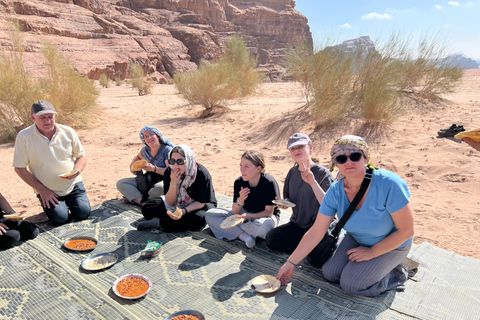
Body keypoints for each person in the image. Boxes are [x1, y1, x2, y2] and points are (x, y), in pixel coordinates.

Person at [277, 135, 414, 297]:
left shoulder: (389, 184)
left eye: (355, 156)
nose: (348, 162)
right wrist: (290, 263)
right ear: (337, 164)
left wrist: (372, 253)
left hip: (393, 243)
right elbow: (316, 232)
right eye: (342, 159)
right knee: (330, 273)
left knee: (351, 284)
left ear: (365, 157)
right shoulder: (336, 191)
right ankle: (370, 266)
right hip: (357, 238)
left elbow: (406, 231)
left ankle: (396, 272)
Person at [13, 100, 91, 225]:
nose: (47, 121)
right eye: (42, 117)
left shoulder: (68, 131)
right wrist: (42, 190)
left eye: (50, 117)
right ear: (33, 117)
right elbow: (19, 168)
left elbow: (81, 156)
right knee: (60, 218)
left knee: (83, 213)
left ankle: (66, 205)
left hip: (73, 185)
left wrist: (78, 170)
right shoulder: (24, 137)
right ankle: (58, 209)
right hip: (48, 190)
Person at [265, 133, 334, 256]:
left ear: (310, 148)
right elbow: (289, 200)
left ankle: (307, 249)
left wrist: (313, 183)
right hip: (298, 225)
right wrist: (283, 204)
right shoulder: (292, 173)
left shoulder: (323, 174)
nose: (296, 150)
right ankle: (306, 248)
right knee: (271, 239)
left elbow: (331, 207)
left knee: (318, 256)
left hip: (318, 227)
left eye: (300, 146)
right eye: (292, 148)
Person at [205, 150, 281, 249]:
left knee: (265, 229)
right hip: (244, 215)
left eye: (246, 166)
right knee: (210, 214)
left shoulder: (268, 183)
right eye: (240, 165)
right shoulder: (239, 182)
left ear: (258, 168)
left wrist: (248, 217)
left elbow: (268, 212)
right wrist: (240, 200)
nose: (242, 169)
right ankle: (244, 236)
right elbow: (236, 211)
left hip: (264, 217)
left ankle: (234, 230)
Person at [137, 144, 217, 232]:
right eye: (172, 161)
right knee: (147, 208)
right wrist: (173, 183)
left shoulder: (201, 174)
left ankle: (159, 223)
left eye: (180, 161)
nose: (175, 165)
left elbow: (201, 202)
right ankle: (169, 221)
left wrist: (184, 211)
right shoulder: (169, 171)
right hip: (178, 202)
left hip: (199, 204)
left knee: (197, 219)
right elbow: (170, 202)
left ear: (189, 160)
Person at [116, 126, 174, 205]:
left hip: (165, 181)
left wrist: (154, 169)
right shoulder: (145, 150)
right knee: (122, 183)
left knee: (160, 188)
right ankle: (143, 202)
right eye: (146, 136)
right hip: (149, 180)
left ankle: (136, 198)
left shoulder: (167, 150)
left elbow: (170, 172)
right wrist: (132, 166)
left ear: (158, 136)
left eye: (151, 134)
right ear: (144, 140)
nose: (149, 138)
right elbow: (138, 157)